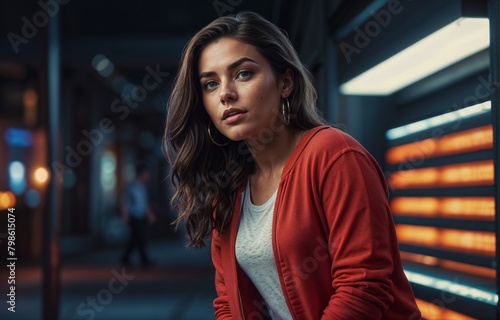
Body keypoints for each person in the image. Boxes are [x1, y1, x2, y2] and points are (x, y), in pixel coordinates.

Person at [164, 11, 421, 320]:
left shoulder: (334, 156)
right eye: (210, 84)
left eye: (243, 74)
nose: (225, 94)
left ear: (285, 82)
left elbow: (363, 287)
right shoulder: (230, 190)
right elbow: (228, 303)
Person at [120, 163, 156, 268]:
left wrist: (149, 214)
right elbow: (125, 202)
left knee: (135, 239)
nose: (148, 176)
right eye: (146, 173)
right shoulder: (131, 187)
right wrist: (125, 216)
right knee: (140, 238)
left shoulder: (143, 187)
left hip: (141, 216)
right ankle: (144, 260)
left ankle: (125, 258)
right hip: (134, 216)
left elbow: (144, 203)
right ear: (142, 174)